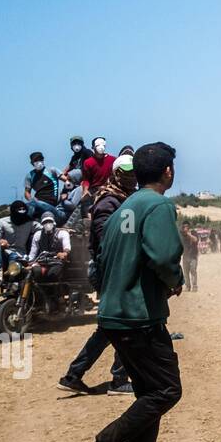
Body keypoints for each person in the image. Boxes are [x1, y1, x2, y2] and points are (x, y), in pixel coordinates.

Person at [66, 142, 184, 442]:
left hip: (115, 315)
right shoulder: (159, 205)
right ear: (167, 172)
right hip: (139, 317)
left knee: (150, 393)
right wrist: (175, 280)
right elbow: (164, 256)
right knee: (166, 391)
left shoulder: (124, 207)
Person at [59, 154, 136, 396]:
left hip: (115, 270)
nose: (131, 176)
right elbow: (106, 239)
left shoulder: (122, 199)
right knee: (126, 324)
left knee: (108, 327)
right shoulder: (110, 201)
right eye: (126, 172)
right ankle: (119, 379)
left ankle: (74, 375)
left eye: (134, 172)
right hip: (113, 271)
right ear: (116, 173)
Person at [24, 151, 65, 221]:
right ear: (32, 163)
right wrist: (31, 200)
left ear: (43, 160)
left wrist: (65, 192)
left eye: (40, 159)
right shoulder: (30, 175)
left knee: (33, 204)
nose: (39, 162)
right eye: (36, 160)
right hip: (36, 203)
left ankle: (25, 222)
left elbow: (66, 180)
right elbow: (27, 192)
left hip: (51, 204)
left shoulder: (52, 170)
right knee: (21, 206)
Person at [181, 224, 200, 292]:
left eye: (186, 227)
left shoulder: (193, 232)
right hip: (185, 256)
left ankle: (194, 287)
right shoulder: (182, 235)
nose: (185, 228)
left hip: (193, 256)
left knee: (193, 271)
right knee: (186, 273)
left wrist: (188, 234)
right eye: (184, 227)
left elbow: (195, 239)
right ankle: (187, 287)